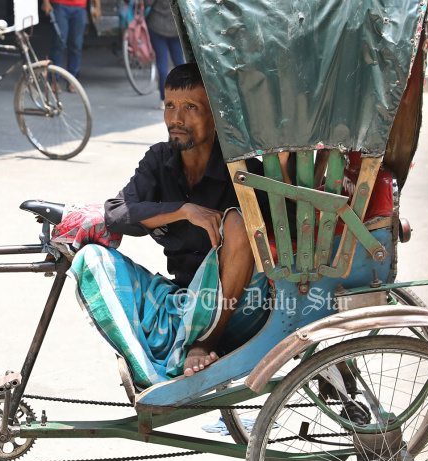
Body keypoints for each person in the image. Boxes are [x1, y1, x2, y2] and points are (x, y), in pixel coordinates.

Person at [67, 63, 269, 386]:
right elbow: (117, 213)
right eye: (170, 106)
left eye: (191, 108)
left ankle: (203, 344)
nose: (177, 119)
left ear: (215, 118)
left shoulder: (242, 168)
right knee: (90, 259)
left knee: (236, 223)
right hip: (182, 300)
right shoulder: (159, 161)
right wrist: (185, 210)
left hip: (237, 306)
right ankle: (150, 369)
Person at [41, 0, 100, 92]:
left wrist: (97, 6)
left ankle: (72, 80)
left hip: (80, 7)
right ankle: (53, 80)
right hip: (59, 5)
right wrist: (46, 2)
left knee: (76, 45)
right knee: (59, 43)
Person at [145, 0, 184, 109]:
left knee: (162, 63)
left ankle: (164, 99)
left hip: (157, 25)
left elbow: (148, 3)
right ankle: (185, 94)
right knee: (180, 63)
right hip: (175, 26)